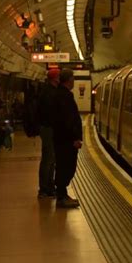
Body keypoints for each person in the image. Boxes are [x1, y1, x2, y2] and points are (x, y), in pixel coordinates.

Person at [52, 68, 82, 208]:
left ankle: (62, 195)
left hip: (61, 138)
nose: (74, 81)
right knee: (66, 167)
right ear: (69, 80)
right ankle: (61, 197)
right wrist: (74, 138)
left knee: (64, 166)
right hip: (66, 140)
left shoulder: (59, 94)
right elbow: (68, 120)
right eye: (73, 79)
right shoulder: (65, 96)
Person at [37, 67, 60, 198]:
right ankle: (44, 189)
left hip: (48, 128)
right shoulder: (49, 93)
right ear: (55, 78)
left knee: (51, 159)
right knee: (48, 159)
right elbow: (51, 114)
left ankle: (49, 187)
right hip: (48, 129)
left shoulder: (47, 91)